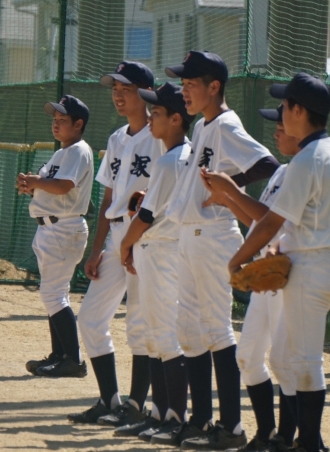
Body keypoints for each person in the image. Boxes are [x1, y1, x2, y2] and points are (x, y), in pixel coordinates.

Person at [156, 50, 279, 451]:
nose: (185, 91)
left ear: (214, 87)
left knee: (215, 329)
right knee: (189, 331)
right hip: (191, 236)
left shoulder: (226, 124)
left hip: (213, 235)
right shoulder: (204, 125)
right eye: (183, 84)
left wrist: (230, 189)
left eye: (192, 84)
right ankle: (202, 420)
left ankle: (232, 426)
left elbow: (267, 164)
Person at [228, 73, 330, 452]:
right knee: (289, 359)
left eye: (285, 105)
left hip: (311, 267)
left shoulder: (307, 159)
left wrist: (237, 260)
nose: (282, 112)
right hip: (328, 262)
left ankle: (310, 444)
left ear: (299, 111)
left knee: (304, 362)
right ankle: (302, 440)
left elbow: (271, 222)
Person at [200, 103, 307, 452]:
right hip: (267, 274)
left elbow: (275, 223)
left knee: (282, 361)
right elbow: (259, 222)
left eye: (281, 126)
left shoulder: (302, 172)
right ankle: (266, 435)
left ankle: (286, 439)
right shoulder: (282, 172)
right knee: (247, 356)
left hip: (286, 274)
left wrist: (232, 190)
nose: (276, 131)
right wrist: (229, 200)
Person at [69, 61, 164, 426]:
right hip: (118, 235)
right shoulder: (116, 138)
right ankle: (110, 400)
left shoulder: (161, 137)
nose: (118, 95)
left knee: (139, 323)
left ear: (147, 93)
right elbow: (109, 199)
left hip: (147, 236)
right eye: (115, 88)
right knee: (90, 317)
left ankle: (135, 406)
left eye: (126, 88)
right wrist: (97, 251)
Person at [113, 82, 195, 441]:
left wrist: (124, 245)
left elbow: (145, 216)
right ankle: (161, 414)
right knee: (158, 336)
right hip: (165, 250)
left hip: (161, 251)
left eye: (157, 113)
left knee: (164, 336)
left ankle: (173, 417)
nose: (151, 118)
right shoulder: (185, 155)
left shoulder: (169, 160)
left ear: (176, 119)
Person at [16, 95, 93, 379]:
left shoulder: (78, 150)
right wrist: (32, 187)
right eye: (54, 119)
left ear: (78, 124)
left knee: (53, 294)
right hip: (53, 228)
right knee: (54, 294)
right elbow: (55, 190)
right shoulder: (63, 152)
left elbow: (63, 187)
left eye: (63, 119)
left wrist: (37, 181)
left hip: (63, 228)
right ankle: (60, 356)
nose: (56, 123)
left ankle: (72, 360)